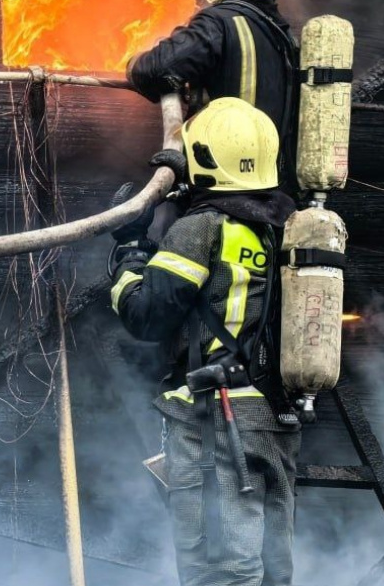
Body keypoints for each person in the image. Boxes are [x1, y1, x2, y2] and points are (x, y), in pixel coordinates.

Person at [108, 97, 300, 586]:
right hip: (271, 419)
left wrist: (129, 251)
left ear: (205, 159)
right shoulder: (282, 229)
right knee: (270, 570)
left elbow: (146, 316)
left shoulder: (200, 230)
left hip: (214, 422)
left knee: (218, 572)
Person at [127, 0, 299, 194]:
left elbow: (155, 69)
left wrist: (133, 62)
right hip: (269, 185)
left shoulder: (220, 22)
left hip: (221, 183)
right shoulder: (281, 34)